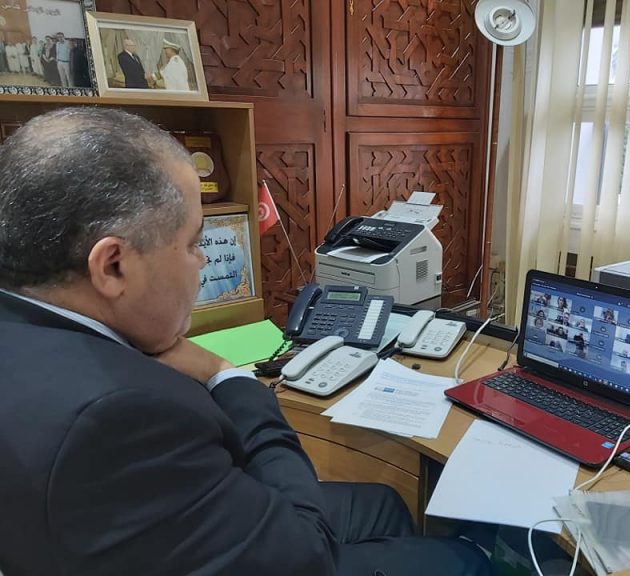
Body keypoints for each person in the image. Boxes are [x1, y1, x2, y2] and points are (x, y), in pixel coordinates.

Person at [0, 108, 490, 576]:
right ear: (112, 266)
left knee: (382, 504)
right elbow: (306, 554)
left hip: (137, 533)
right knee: (465, 563)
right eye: (193, 243)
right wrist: (226, 375)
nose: (203, 262)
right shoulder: (118, 414)